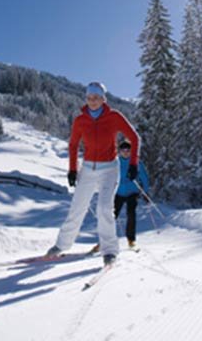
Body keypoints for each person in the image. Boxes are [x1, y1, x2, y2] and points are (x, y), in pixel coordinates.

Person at [45, 81, 140, 266]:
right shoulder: (80, 120)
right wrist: (72, 169)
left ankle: (110, 251)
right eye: (89, 98)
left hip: (109, 169)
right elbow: (73, 145)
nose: (92, 101)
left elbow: (134, 137)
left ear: (103, 99)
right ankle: (61, 246)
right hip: (88, 169)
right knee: (76, 208)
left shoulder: (114, 117)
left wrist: (133, 163)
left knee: (104, 209)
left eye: (96, 98)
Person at [90, 139, 149, 254]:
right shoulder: (115, 162)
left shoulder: (135, 162)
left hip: (132, 191)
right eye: (123, 150)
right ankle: (103, 242)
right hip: (118, 192)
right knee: (111, 216)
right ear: (120, 151)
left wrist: (145, 192)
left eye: (128, 150)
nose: (126, 152)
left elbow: (144, 177)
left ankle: (131, 240)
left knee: (131, 214)